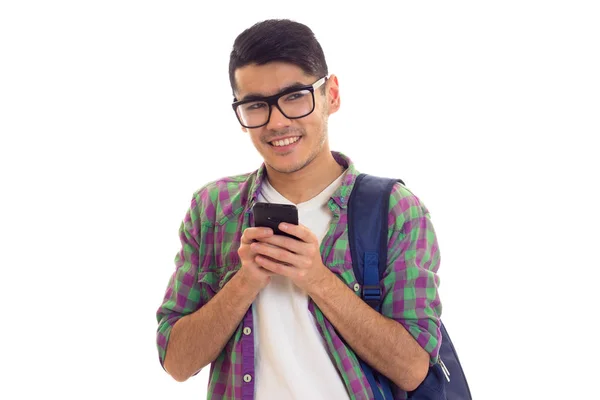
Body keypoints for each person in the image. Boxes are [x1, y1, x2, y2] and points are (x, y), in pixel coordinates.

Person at [156, 18, 442, 400]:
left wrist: (317, 278)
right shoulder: (212, 209)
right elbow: (176, 362)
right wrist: (245, 282)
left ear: (331, 95)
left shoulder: (394, 210)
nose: (277, 122)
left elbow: (412, 369)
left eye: (294, 97)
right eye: (256, 105)